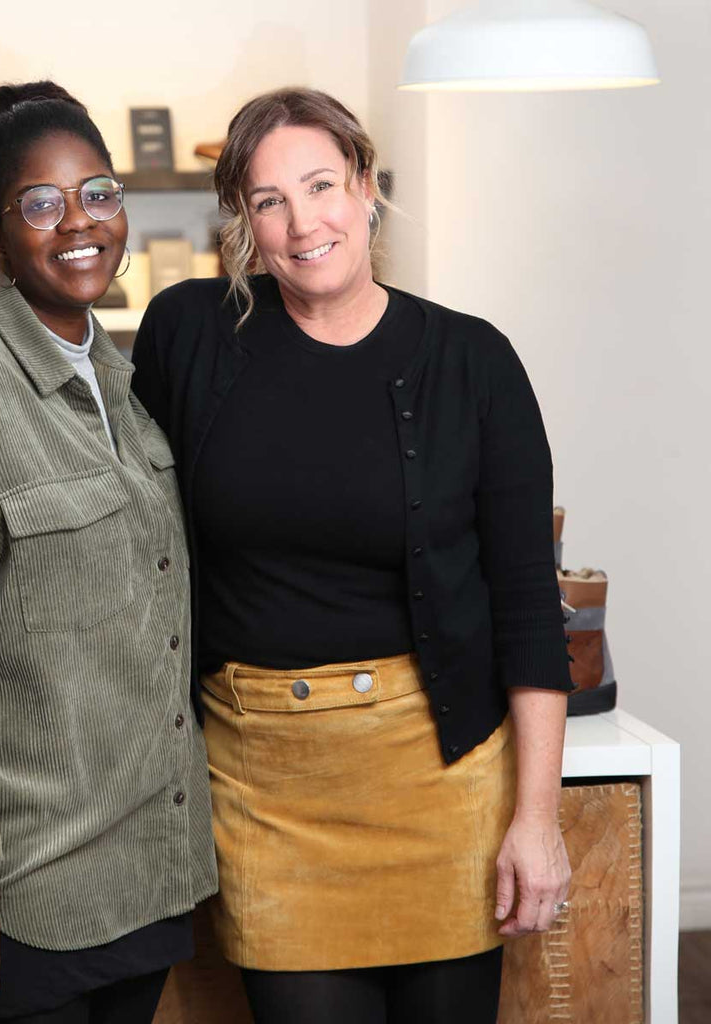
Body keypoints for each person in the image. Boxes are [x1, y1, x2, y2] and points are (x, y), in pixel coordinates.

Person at [131, 87, 574, 1024]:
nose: (303, 224)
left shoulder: (474, 362)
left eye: (322, 185)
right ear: (243, 220)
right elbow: (132, 536)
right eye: (268, 200)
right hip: (263, 788)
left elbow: (529, 607)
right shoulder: (188, 334)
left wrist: (537, 820)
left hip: (439, 779)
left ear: (366, 185)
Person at [0, 81, 217, 1024]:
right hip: (21, 888)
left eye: (97, 193)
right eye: (42, 204)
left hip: (141, 868)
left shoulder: (118, 377)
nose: (80, 223)